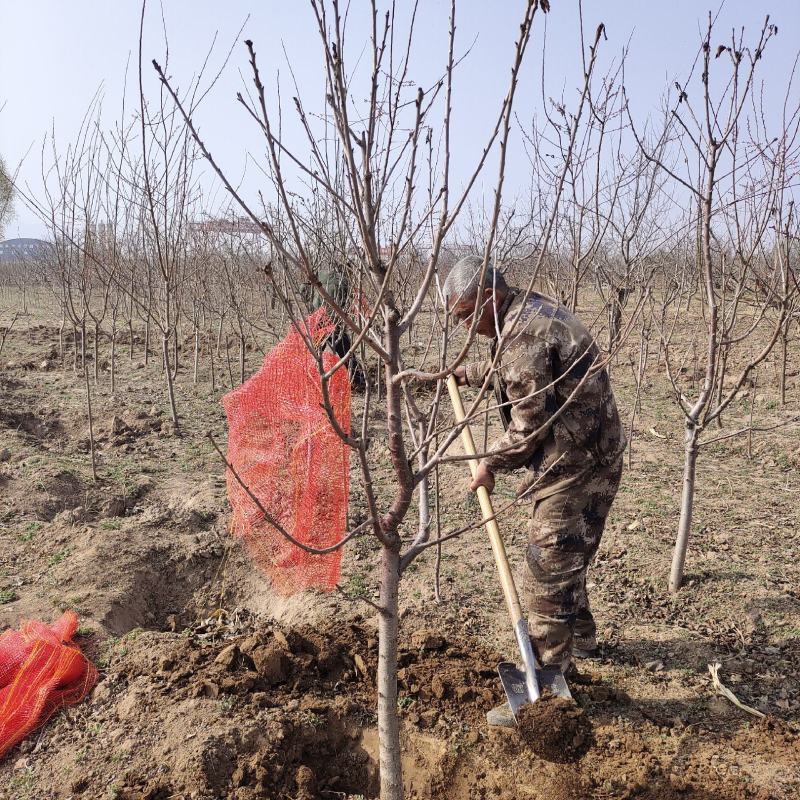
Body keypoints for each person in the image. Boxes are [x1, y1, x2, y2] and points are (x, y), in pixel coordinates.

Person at [442, 255, 626, 727]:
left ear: (488, 297)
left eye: (465, 316)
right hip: (596, 450)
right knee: (572, 550)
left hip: (576, 462)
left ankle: (548, 685)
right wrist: (473, 375)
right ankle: (581, 633)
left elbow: (526, 429)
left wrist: (487, 463)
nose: (465, 328)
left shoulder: (523, 331)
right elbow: (526, 376)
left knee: (547, 568)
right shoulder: (528, 315)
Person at [302, 265, 367, 389]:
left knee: (314, 352)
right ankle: (358, 380)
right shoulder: (342, 281)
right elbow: (347, 301)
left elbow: (309, 298)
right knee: (345, 351)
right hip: (335, 320)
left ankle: (306, 379)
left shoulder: (320, 277)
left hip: (320, 319)